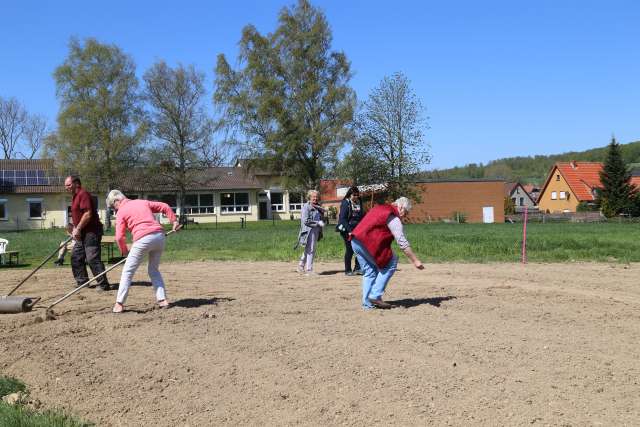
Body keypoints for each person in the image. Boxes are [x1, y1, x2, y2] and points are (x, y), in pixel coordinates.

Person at [106, 190, 181, 313]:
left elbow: (119, 237)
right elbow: (165, 206)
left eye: (113, 207)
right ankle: (163, 300)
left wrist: (124, 251)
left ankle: (119, 304)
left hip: (143, 239)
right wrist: (174, 221)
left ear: (117, 201)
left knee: (128, 271)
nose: (115, 211)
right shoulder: (142, 202)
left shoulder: (121, 212)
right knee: (153, 270)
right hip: (159, 237)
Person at [350, 197, 424, 309]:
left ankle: (367, 304)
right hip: (368, 243)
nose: (405, 216)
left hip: (355, 240)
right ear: (401, 208)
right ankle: (375, 295)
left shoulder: (379, 208)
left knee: (369, 271)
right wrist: (415, 260)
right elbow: (402, 241)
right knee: (392, 261)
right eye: (406, 212)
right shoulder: (393, 217)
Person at [65, 175, 110, 291]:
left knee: (92, 258)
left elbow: (88, 214)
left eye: (69, 185)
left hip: (91, 232)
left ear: (76, 184)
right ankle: (82, 282)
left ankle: (103, 284)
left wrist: (78, 228)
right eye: (66, 186)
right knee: (76, 257)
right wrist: (73, 228)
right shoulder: (75, 197)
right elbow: (78, 215)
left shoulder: (83, 194)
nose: (66, 188)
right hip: (81, 233)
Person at [295, 190, 325, 275]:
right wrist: (317, 223)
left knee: (309, 249)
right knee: (311, 249)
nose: (315, 198)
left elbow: (320, 217)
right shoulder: (306, 207)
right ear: (309, 197)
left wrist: (322, 220)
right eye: (313, 197)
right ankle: (309, 270)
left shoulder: (318, 207)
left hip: (316, 230)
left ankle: (301, 266)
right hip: (308, 231)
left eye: (316, 197)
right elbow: (305, 220)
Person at [337, 186, 365, 276]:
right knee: (350, 249)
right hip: (346, 229)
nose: (356, 197)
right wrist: (349, 231)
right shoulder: (346, 203)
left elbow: (361, 215)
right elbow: (342, 219)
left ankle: (357, 268)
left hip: (358, 228)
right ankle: (348, 270)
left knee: (359, 249)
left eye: (357, 195)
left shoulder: (359, 201)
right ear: (350, 195)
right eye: (354, 195)